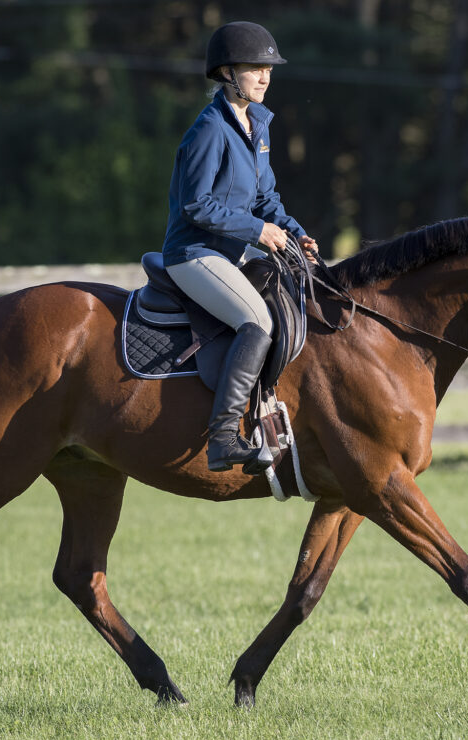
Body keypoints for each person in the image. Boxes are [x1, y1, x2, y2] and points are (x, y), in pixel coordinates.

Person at [161, 21, 317, 473]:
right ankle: (225, 437)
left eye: (269, 69)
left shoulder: (258, 126)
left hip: (229, 254)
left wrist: (294, 232)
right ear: (228, 73)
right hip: (193, 254)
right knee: (258, 321)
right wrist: (258, 232)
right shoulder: (209, 129)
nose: (265, 77)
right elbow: (196, 204)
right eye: (255, 69)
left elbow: (266, 199)